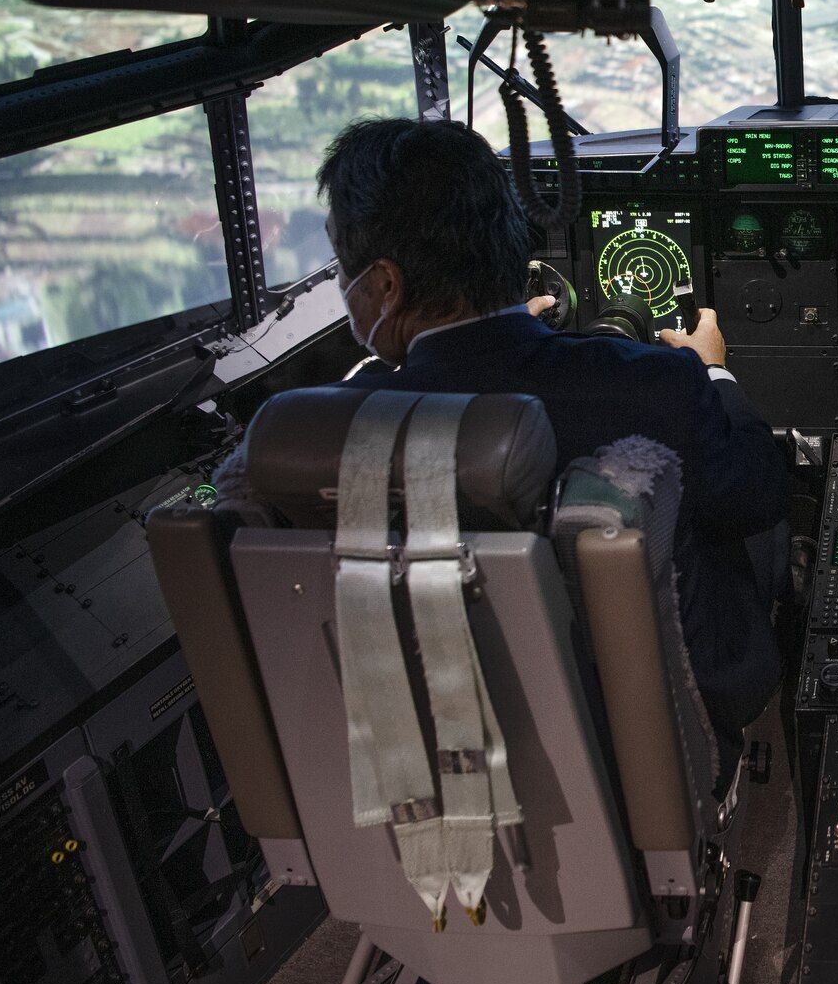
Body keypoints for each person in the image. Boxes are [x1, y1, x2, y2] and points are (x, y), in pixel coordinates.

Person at [240, 117, 789, 756]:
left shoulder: (322, 435)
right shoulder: (659, 384)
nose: (345, 286)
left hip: (427, 749)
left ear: (387, 284)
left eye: (344, 267)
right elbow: (759, 494)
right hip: (652, 745)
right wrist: (711, 369)